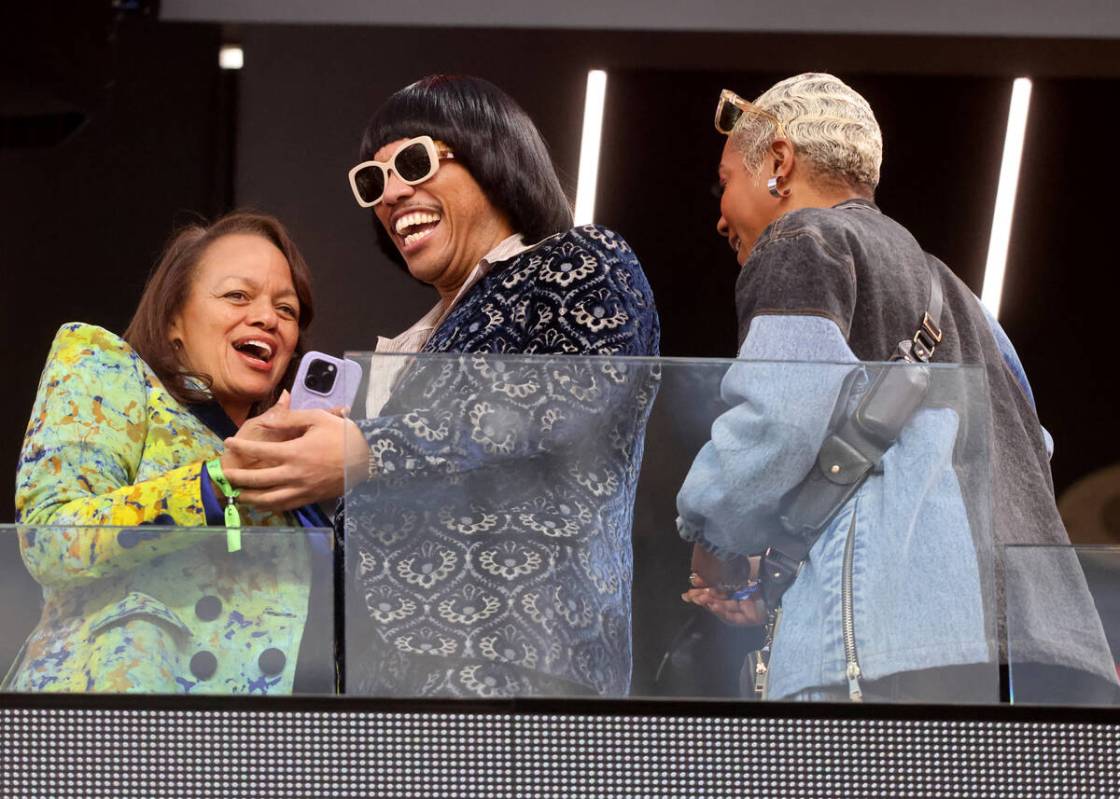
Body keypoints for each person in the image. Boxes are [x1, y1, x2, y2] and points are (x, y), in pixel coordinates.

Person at [676, 73, 1116, 702]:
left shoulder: (803, 240)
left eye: (726, 184)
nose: (720, 217)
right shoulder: (961, 296)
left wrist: (714, 537)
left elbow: (779, 419)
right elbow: (1032, 448)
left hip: (880, 643)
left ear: (778, 162)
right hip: (1021, 651)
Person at [222, 75, 661, 697]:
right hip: (383, 685)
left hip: (520, 667)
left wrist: (365, 451)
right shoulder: (415, 342)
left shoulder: (582, 260)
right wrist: (289, 465)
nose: (393, 194)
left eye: (414, 161)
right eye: (372, 182)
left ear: (493, 156)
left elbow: (561, 397)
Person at [4, 211, 334, 695]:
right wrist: (216, 482)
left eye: (287, 309)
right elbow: (51, 539)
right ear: (174, 318)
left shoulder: (297, 471)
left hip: (270, 749)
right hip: (123, 722)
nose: (267, 317)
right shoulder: (109, 368)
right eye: (237, 295)